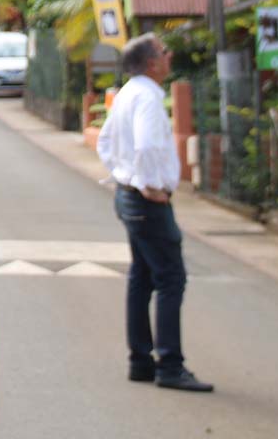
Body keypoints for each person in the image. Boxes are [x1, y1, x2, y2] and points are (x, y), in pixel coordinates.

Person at [96, 33, 214, 393]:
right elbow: (146, 145)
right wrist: (149, 185)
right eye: (164, 52)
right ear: (151, 62)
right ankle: (170, 365)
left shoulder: (129, 93)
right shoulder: (146, 97)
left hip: (129, 195)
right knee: (170, 279)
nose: (169, 56)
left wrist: (126, 176)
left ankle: (141, 361)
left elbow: (104, 142)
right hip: (146, 200)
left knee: (142, 277)